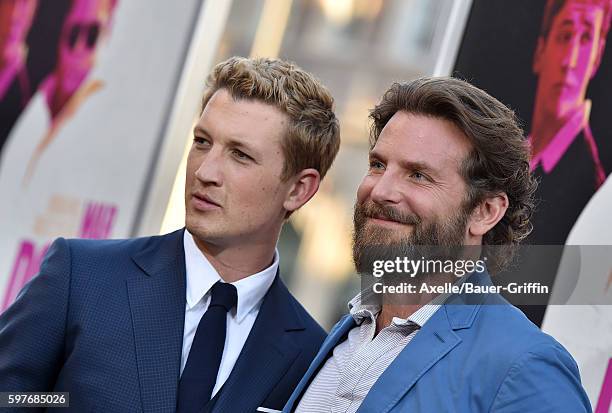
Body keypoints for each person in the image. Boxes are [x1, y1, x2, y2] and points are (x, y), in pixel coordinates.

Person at [0, 56, 340, 413]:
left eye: (240, 155)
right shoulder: (82, 277)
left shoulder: (313, 358)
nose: (205, 171)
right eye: (203, 142)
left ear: (299, 190)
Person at [283, 77, 592, 412]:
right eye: (378, 165)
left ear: (485, 211)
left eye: (418, 175)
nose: (381, 190)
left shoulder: (523, 367)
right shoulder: (344, 336)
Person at [529, 0, 611, 244]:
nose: (570, 60)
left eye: (585, 39)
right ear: (540, 52)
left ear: (597, 57)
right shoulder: (505, 155)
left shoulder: (590, 186)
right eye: (565, 36)